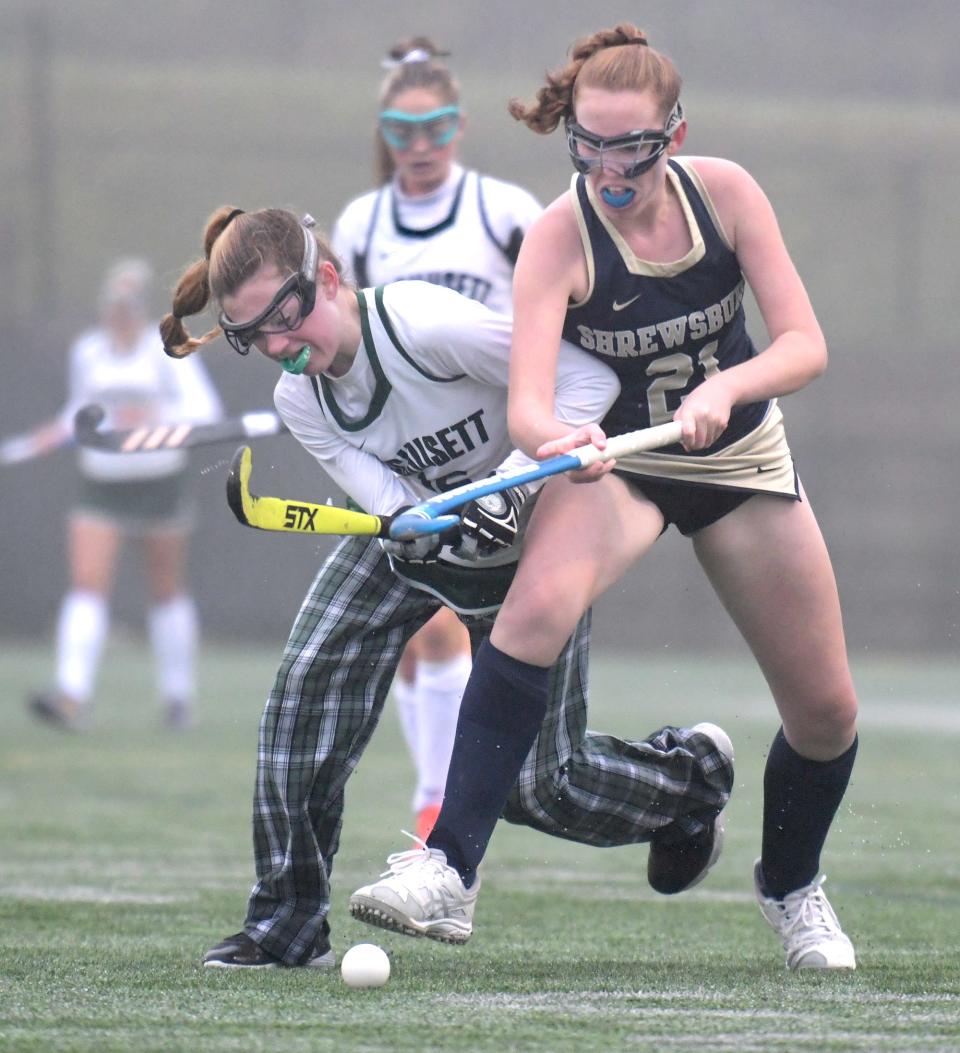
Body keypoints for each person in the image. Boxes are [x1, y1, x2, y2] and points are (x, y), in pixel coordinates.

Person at [350, 23, 860, 973]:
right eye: (587, 143)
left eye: (629, 145)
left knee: (827, 711)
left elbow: (803, 344)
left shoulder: (729, 194)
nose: (607, 167)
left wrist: (727, 388)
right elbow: (531, 405)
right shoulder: (559, 234)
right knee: (532, 611)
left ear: (672, 132)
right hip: (621, 462)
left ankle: (792, 888)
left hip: (738, 458)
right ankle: (447, 871)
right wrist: (559, 444)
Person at [161, 204, 734, 968]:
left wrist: (509, 486)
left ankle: (690, 783)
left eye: (285, 315)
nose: (276, 345)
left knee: (539, 786)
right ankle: (286, 920)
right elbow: (391, 504)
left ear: (326, 280)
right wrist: (410, 519)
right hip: (422, 537)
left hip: (527, 533)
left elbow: (585, 380)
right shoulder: (301, 400)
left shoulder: (421, 324)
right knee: (302, 696)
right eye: (250, 336)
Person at [331, 36, 543, 842]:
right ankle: (435, 803)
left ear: (459, 125)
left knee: (459, 638)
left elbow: (545, 325)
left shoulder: (504, 212)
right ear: (383, 132)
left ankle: (445, 802)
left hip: (499, 465)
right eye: (400, 132)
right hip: (405, 461)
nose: (419, 148)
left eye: (435, 128)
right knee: (424, 635)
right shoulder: (361, 225)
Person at [28, 258, 223, 731]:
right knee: (88, 582)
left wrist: (152, 420)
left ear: (142, 311)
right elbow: (81, 409)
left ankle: (178, 698)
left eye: (129, 308)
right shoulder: (89, 352)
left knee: (165, 587)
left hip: (158, 480)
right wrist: (59, 430)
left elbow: (205, 410)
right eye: (114, 307)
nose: (120, 316)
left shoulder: (166, 351)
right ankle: (72, 695)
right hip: (103, 481)